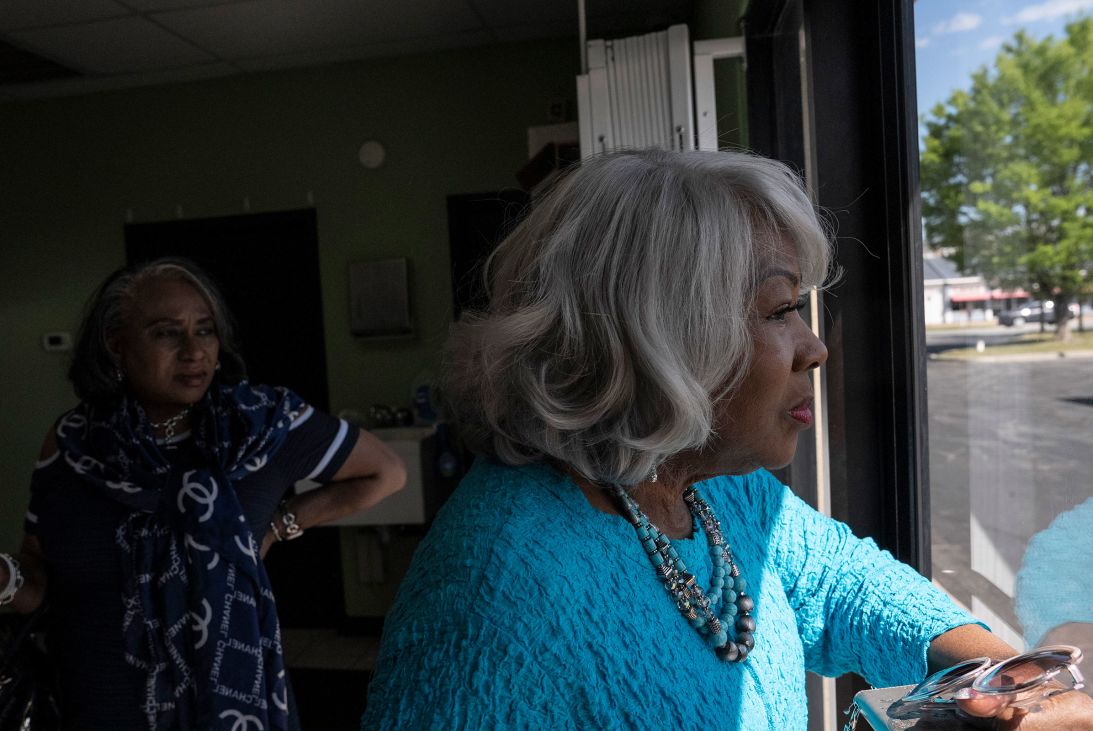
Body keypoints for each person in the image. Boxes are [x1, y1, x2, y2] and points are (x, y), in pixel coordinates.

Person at [360, 149, 1093, 729]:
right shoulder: (494, 598)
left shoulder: (714, 487)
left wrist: (1009, 680)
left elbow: (843, 583)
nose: (815, 347)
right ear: (664, 337)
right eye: (780, 309)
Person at [0, 258, 407, 731]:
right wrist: (5, 577)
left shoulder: (261, 424)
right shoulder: (73, 443)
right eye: (167, 333)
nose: (194, 351)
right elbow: (40, 579)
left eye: (205, 330)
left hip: (230, 711)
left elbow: (386, 472)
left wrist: (279, 527)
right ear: (117, 346)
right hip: (95, 706)